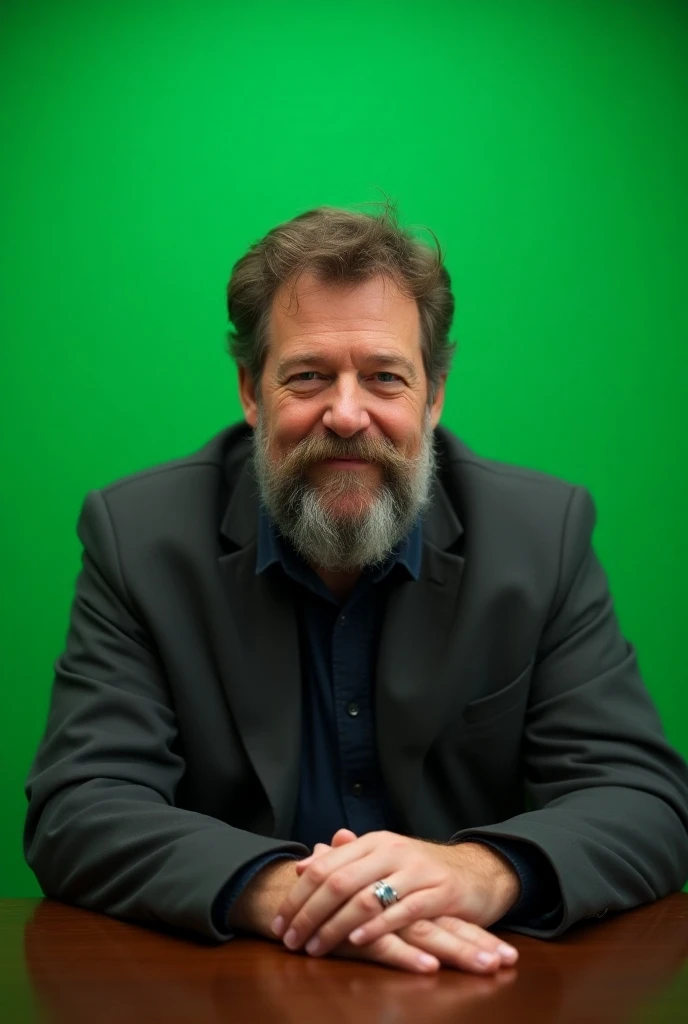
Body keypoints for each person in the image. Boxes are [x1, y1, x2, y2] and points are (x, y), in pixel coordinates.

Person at [24, 205, 688, 976]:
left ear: (433, 396)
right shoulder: (136, 537)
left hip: (472, 985)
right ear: (250, 390)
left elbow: (645, 803)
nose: (346, 414)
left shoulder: (543, 536)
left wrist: (481, 872)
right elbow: (80, 809)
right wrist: (287, 894)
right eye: (308, 377)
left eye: (384, 377)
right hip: (231, 991)